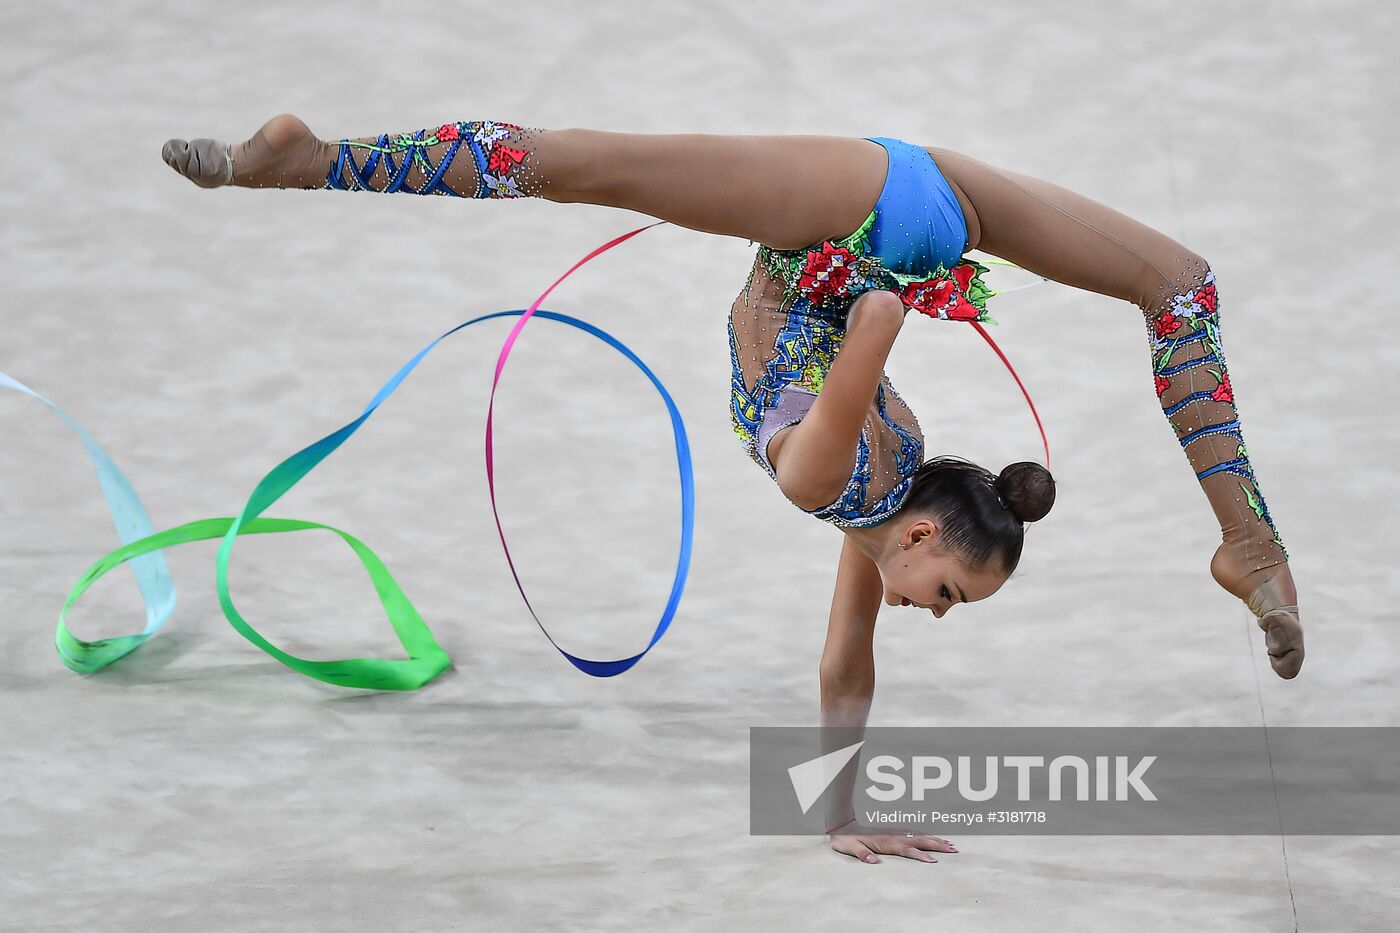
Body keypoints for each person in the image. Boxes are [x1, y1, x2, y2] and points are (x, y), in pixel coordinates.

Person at [161, 115, 1305, 863]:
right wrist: (877, 307)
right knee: (579, 166)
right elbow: (865, 330)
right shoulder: (833, 488)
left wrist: (841, 812)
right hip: (849, 218)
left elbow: (843, 665)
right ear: (921, 537)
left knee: (1181, 287)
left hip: (921, 204)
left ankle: (1245, 542)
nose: (933, 614)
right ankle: (307, 161)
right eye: (950, 594)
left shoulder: (879, 506)